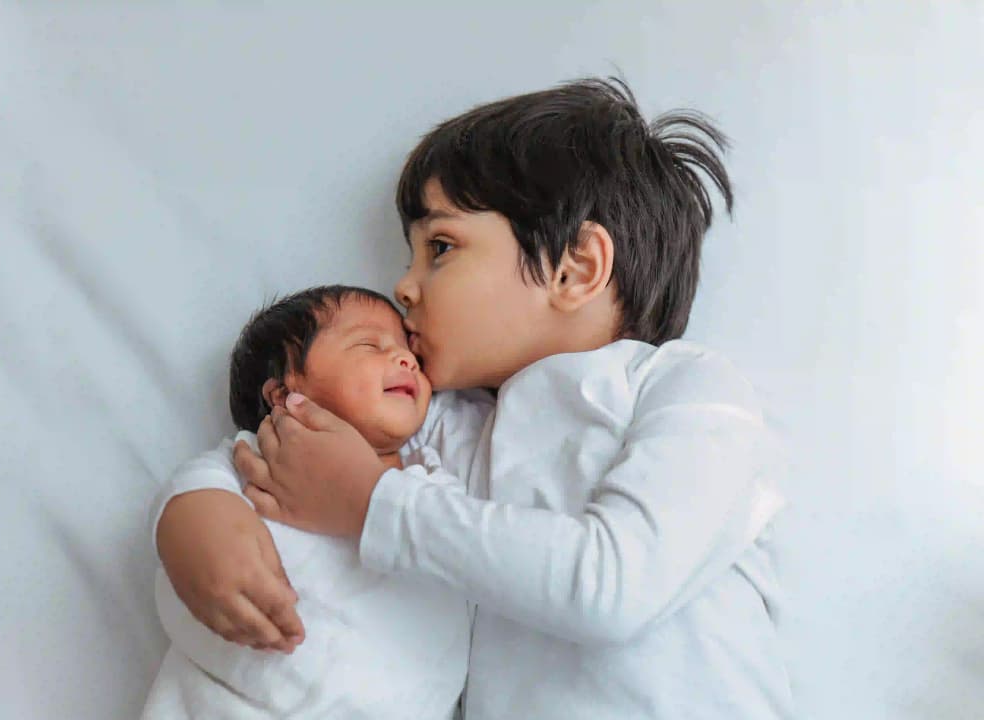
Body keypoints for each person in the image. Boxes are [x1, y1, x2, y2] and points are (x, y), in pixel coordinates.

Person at [155, 77, 794, 718]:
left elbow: (611, 587)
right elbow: (281, 449)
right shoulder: (447, 426)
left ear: (574, 269)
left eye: (440, 247)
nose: (403, 288)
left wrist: (371, 503)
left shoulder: (691, 393)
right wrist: (195, 522)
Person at [142, 285, 491, 720]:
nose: (405, 360)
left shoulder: (436, 483)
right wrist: (199, 530)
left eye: (412, 357)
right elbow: (194, 494)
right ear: (284, 394)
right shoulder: (264, 459)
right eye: (370, 344)